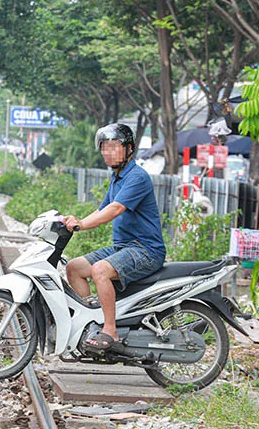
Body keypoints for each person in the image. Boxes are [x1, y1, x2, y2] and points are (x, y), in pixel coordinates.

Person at [62, 123, 166, 352]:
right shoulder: (117, 177)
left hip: (146, 250)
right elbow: (102, 209)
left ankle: (110, 330)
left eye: (113, 147)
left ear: (129, 148)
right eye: (104, 148)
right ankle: (91, 322)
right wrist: (74, 221)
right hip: (124, 247)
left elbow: (115, 209)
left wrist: (82, 225)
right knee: (74, 268)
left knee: (100, 270)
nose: (107, 152)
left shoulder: (137, 177)